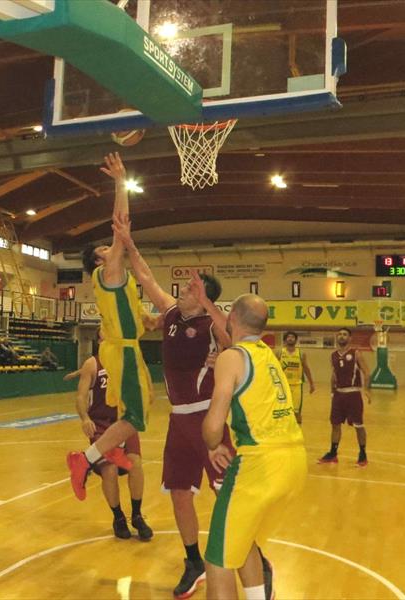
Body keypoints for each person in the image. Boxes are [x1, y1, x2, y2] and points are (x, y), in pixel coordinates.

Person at [113, 212, 235, 598]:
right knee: (180, 493)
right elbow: (147, 277)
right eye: (183, 290)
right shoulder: (169, 315)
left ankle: (252, 556)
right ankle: (193, 561)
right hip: (178, 423)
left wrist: (207, 304)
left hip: (208, 422)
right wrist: (130, 244)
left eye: (190, 292)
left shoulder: (214, 325)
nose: (181, 294)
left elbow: (231, 337)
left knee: (229, 494)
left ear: (205, 299)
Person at [202, 294, 307, 600]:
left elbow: (213, 428)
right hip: (293, 464)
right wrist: (207, 304)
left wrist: (211, 445)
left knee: (218, 563)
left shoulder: (231, 358)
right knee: (243, 538)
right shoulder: (266, 354)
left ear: (232, 316)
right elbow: (236, 329)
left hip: (259, 465)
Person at [66, 152, 154, 501]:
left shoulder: (121, 281)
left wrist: (149, 318)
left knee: (136, 413)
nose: (110, 245)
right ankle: (85, 458)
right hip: (122, 352)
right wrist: (120, 182)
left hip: (126, 348)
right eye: (105, 247)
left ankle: (98, 452)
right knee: (137, 417)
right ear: (98, 261)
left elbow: (133, 312)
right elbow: (121, 222)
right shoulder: (109, 272)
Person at [75, 349, 153, 541]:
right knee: (109, 470)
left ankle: (136, 515)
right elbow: (80, 396)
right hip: (101, 424)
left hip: (126, 421)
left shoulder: (129, 357)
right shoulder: (93, 364)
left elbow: (146, 383)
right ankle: (118, 517)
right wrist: (85, 418)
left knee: (135, 464)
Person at [318, 327, 371, 467]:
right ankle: (333, 453)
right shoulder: (333, 355)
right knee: (335, 424)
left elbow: (366, 371)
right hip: (338, 394)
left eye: (345, 334)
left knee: (358, 425)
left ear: (350, 338)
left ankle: (363, 454)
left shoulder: (356, 353)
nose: (342, 336)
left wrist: (366, 389)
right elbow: (334, 375)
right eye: (340, 334)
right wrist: (331, 392)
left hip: (353, 393)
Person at [276, 331, 315, 424]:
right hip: (283, 386)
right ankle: (282, 432)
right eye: (288, 337)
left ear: (296, 340)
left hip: (297, 386)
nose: (290, 338)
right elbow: (273, 369)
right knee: (281, 411)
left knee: (297, 412)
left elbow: (306, 369)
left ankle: (298, 432)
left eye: (292, 337)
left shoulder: (301, 353)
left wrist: (311, 384)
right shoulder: (279, 353)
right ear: (285, 340)